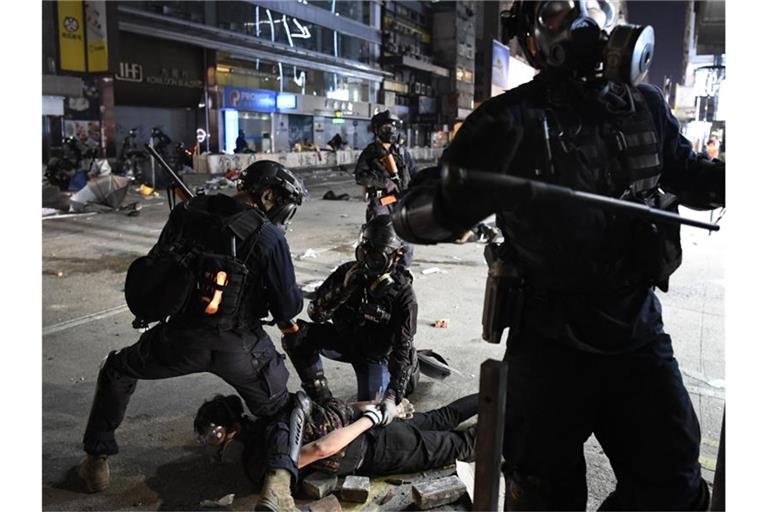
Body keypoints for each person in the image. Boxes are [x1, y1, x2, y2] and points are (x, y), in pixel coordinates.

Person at [391, 1, 725, 510]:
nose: (580, 21)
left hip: (634, 334)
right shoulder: (506, 121)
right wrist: (455, 195)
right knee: (541, 493)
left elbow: (693, 177)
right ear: (530, 38)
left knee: (674, 484)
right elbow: (416, 216)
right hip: (547, 344)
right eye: (553, 11)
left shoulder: (645, 104)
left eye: (587, 5)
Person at [78, 160, 308, 511]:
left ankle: (96, 463)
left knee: (118, 369)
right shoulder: (267, 235)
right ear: (266, 195)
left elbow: (156, 268)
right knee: (285, 408)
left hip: (178, 339)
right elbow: (287, 307)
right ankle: (278, 485)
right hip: (241, 348)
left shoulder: (186, 212)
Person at [282, 215, 418, 424]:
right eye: (365, 250)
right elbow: (315, 314)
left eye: (376, 255)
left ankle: (412, 374)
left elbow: (402, 347)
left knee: (370, 416)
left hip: (375, 356)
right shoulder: (348, 273)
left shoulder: (403, 295)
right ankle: (321, 399)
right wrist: (342, 290)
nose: (367, 260)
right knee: (297, 335)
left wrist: (393, 396)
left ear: (396, 255)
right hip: (344, 341)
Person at [194, 392, 477, 485]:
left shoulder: (261, 457)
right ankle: (508, 392)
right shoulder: (273, 412)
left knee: (464, 444)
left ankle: (518, 424)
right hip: (372, 426)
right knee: (444, 416)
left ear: (227, 433)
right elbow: (329, 408)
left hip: (378, 447)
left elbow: (321, 448)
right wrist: (372, 409)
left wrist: (371, 418)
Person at [355, 110, 417, 222]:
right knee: (382, 233)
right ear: (377, 130)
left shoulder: (401, 152)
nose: (389, 131)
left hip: (403, 201)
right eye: (385, 128)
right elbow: (360, 176)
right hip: (382, 201)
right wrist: (386, 183)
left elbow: (414, 172)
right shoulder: (371, 152)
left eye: (392, 128)